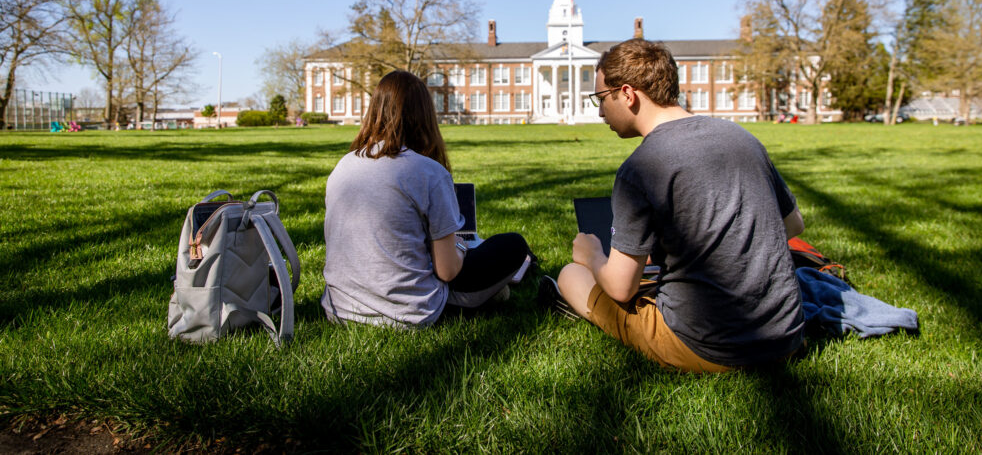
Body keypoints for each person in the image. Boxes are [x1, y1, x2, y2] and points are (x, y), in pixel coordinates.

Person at [552, 39, 805, 372]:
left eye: (601, 99)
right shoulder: (741, 137)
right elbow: (792, 225)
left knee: (572, 274)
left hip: (708, 347)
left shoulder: (641, 167)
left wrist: (592, 255)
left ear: (627, 95)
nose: (599, 112)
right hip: (786, 336)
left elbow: (620, 287)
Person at [321, 70, 531, 328]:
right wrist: (461, 248)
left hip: (341, 309)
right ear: (424, 115)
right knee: (513, 245)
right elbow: (447, 271)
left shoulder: (343, 166)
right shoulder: (428, 172)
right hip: (409, 312)